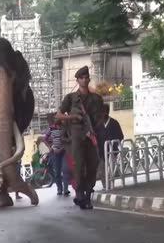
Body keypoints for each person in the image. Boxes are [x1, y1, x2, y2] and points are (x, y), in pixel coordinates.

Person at [55, 66, 104, 209]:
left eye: (86, 77)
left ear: (89, 79)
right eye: (81, 78)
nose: (84, 80)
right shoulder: (71, 98)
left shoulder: (96, 98)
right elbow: (58, 115)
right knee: (78, 164)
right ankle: (79, 193)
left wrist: (93, 129)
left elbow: (101, 116)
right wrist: (74, 116)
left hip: (92, 134)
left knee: (93, 164)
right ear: (77, 80)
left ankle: (88, 193)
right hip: (77, 134)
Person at [96, 103, 124, 189]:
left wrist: (115, 146)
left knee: (111, 169)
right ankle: (106, 186)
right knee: (102, 170)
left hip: (112, 150)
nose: (101, 114)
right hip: (101, 151)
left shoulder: (114, 123)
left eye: (103, 112)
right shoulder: (98, 125)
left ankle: (111, 185)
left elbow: (120, 136)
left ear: (107, 112)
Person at [45, 118, 70, 196]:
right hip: (54, 153)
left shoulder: (64, 128)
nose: (56, 119)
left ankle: (66, 189)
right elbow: (45, 139)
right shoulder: (51, 128)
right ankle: (59, 188)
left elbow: (68, 139)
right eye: (55, 118)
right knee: (57, 172)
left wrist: (62, 148)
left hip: (63, 152)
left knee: (65, 170)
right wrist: (51, 148)